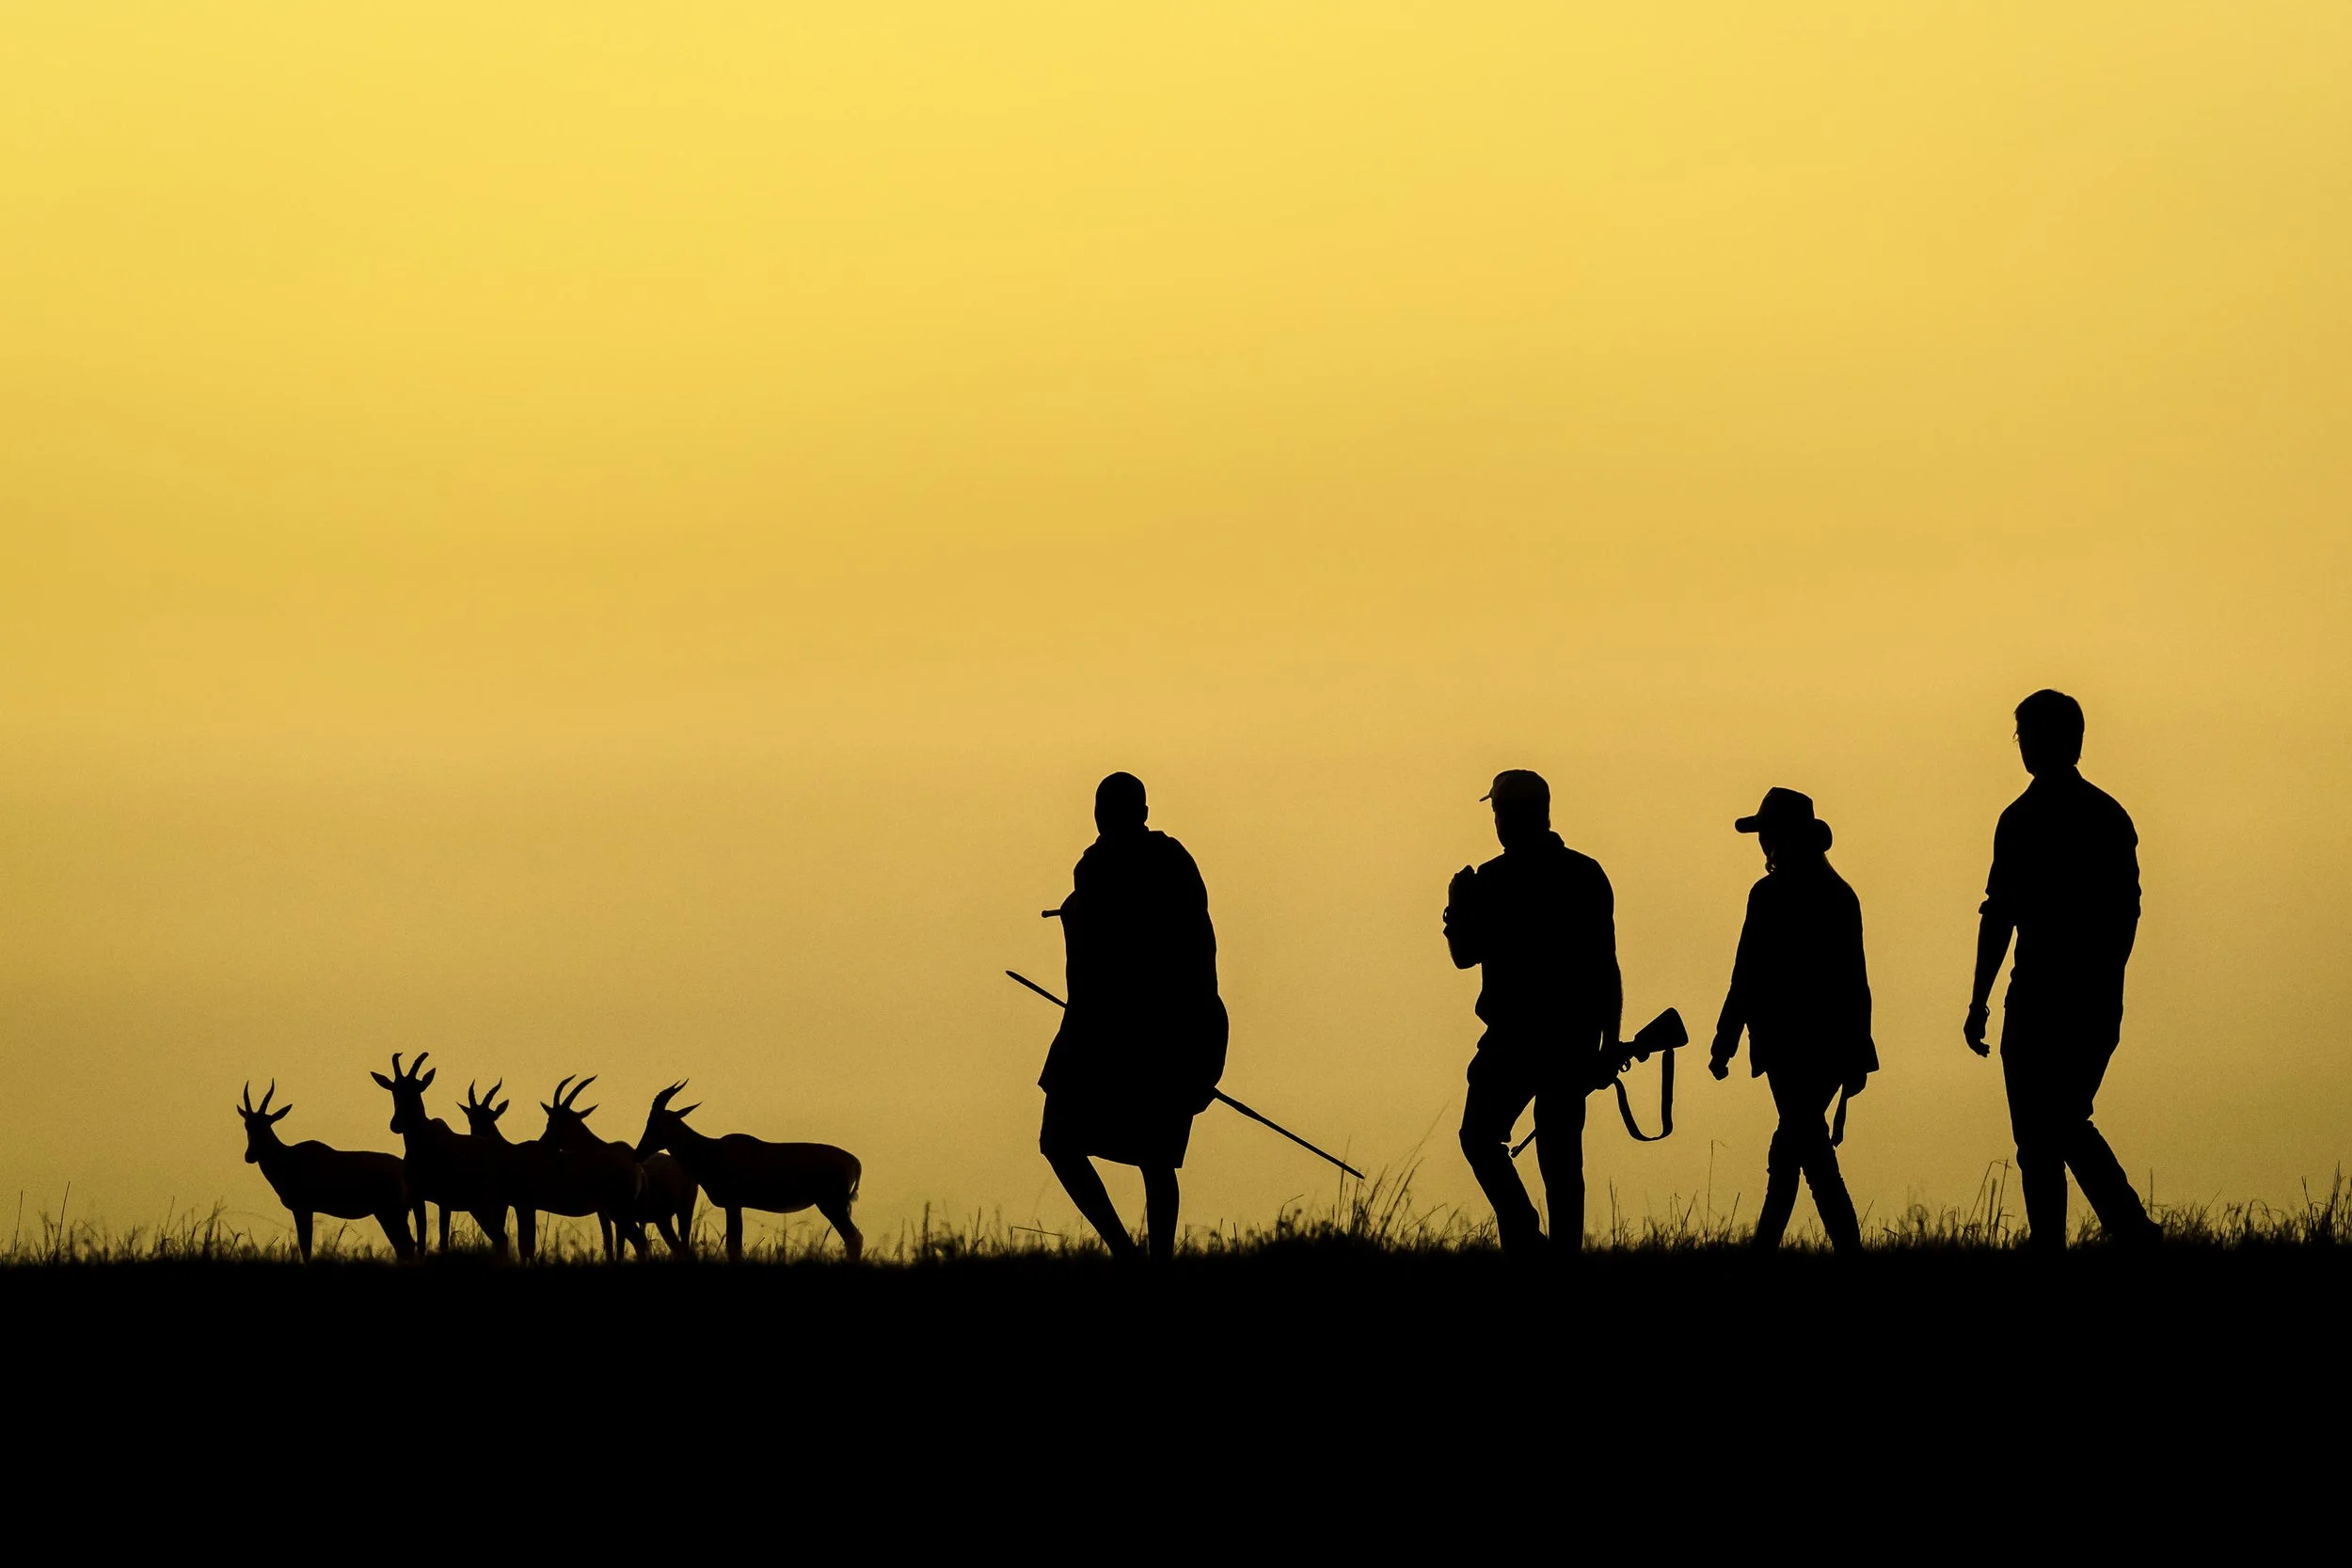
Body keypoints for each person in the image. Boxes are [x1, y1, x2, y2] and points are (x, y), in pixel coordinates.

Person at [1966, 690, 2161, 1250]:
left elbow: (2000, 914)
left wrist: (1978, 1001)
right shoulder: (2104, 815)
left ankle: (2124, 1231)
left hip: (2045, 998)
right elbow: (2127, 913)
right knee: (2050, 1128)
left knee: (2052, 1126)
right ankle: (2089, 1238)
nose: (2023, 745)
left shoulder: (2027, 819)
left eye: (2027, 734)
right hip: (2074, 998)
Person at [1039, 772, 1228, 1262]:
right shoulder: (1093, 866)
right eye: (1102, 814)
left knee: (1156, 1157)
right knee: (1059, 1140)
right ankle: (1126, 1254)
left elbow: (1194, 947)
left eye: (1116, 813)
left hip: (1165, 1032)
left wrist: (1199, 1040)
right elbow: (1089, 959)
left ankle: (1157, 1265)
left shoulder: (1170, 863)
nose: (1107, 823)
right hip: (1099, 1031)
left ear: (1142, 815)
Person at [1445, 769, 1622, 1257]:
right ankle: (1558, 1260)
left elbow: (1464, 955)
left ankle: (1524, 1236)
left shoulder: (1494, 880)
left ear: (1509, 815)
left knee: (1480, 1138)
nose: (1497, 821)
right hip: (1572, 1039)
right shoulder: (1586, 874)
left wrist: (1456, 907)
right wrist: (1608, 1042)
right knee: (1563, 1160)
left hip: (1513, 1039)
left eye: (1498, 811)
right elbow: (1606, 967)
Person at [1708, 788, 1873, 1254]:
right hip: (1829, 1046)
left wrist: (1725, 1040)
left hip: (1785, 1044)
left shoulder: (1769, 895)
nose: (1762, 844)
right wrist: (1858, 1053)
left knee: (1804, 1151)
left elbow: (1747, 973)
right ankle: (1799, 1254)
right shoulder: (1841, 895)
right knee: (1800, 1147)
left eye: (1766, 834)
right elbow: (1855, 982)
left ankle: (1776, 1254)